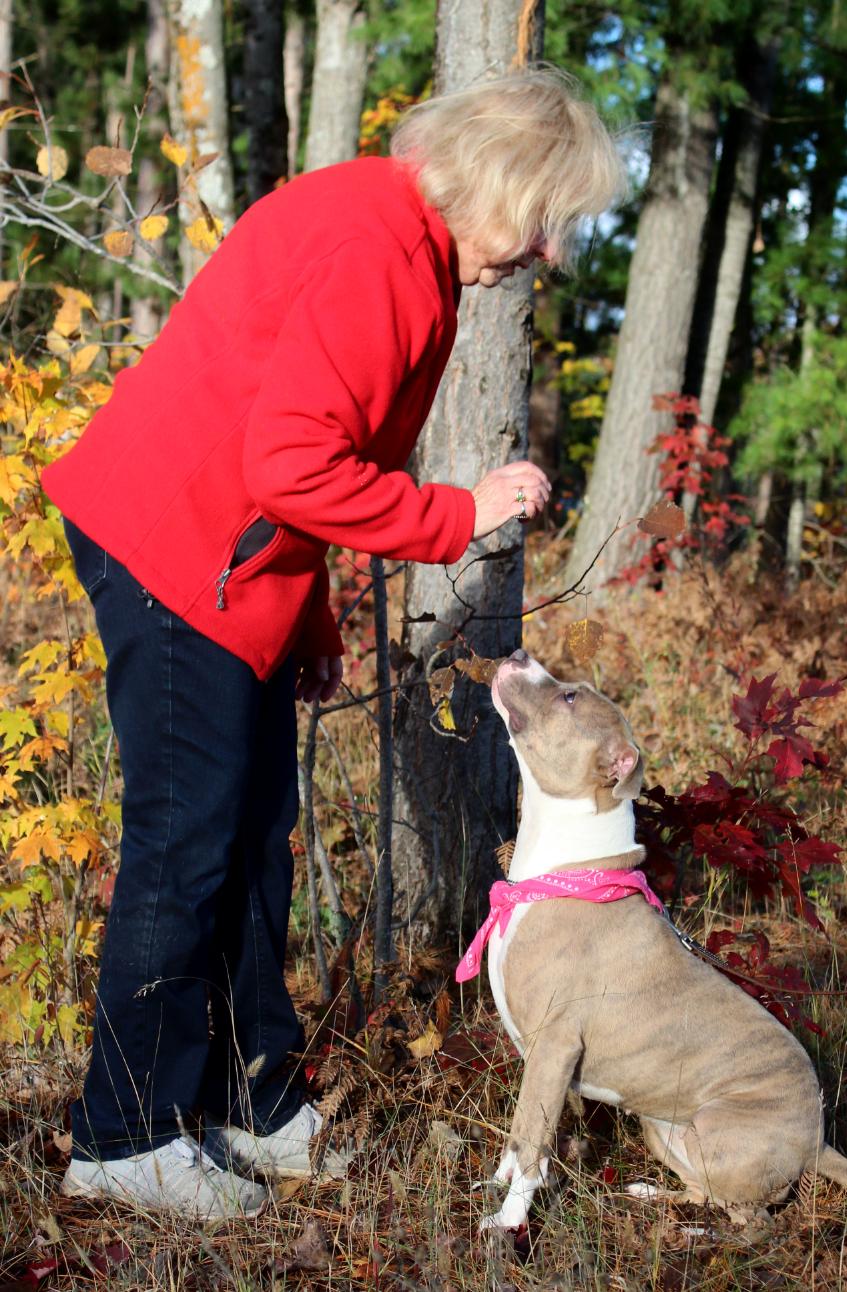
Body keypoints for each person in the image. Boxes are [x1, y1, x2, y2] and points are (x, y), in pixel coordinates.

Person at [42, 67, 624, 1218]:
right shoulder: (379, 254)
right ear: (498, 181)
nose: (550, 254)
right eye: (547, 217)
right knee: (187, 842)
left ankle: (252, 1106)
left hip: (228, 565)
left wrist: (303, 618)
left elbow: (301, 459)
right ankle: (124, 1137)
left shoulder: (401, 237)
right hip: (173, 552)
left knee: (254, 835)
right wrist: (461, 514)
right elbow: (293, 468)